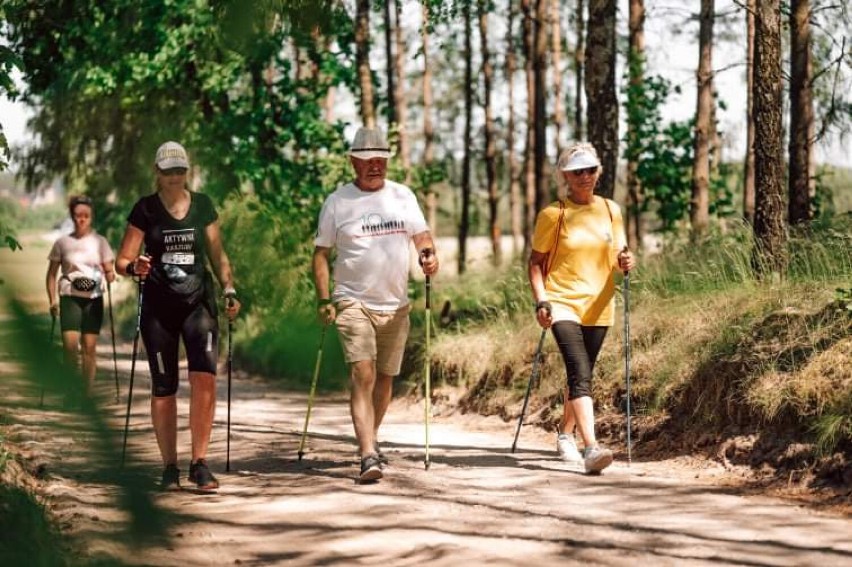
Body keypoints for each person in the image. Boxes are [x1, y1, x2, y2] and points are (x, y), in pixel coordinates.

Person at [312, 126, 439, 483]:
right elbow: (320, 255)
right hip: (353, 301)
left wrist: (428, 256)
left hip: (396, 303)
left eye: (381, 160)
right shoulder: (338, 201)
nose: (375, 166)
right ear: (353, 161)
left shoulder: (402, 196)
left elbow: (422, 237)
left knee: (385, 379)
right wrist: (325, 298)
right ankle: (368, 453)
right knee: (363, 373)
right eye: (367, 160)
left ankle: (370, 438)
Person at [115, 141, 241, 492]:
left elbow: (219, 256)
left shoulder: (203, 206)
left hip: (198, 304)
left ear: (188, 171)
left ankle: (199, 463)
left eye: (180, 170)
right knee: (164, 387)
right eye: (168, 171)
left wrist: (229, 289)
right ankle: (169, 465)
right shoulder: (146, 210)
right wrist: (134, 267)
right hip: (158, 309)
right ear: (157, 173)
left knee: (205, 378)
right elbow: (122, 260)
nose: (174, 177)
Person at [527, 142, 636, 474]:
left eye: (590, 170)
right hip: (562, 302)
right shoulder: (553, 214)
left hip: (599, 305)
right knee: (579, 370)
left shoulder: (610, 210)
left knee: (582, 372)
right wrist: (542, 300)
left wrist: (627, 261)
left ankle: (564, 433)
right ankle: (592, 448)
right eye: (577, 171)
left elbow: (620, 257)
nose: (585, 176)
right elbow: (535, 264)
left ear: (599, 172)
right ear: (565, 176)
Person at [46, 195, 116, 396]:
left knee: (89, 349)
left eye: (86, 215)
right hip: (69, 297)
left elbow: (110, 271)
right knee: (69, 349)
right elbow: (51, 275)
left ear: (91, 217)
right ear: (72, 216)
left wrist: (110, 275)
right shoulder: (62, 242)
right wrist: (52, 300)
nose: (82, 219)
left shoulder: (100, 242)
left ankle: (86, 395)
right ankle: (70, 392)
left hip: (94, 298)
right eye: (78, 215)